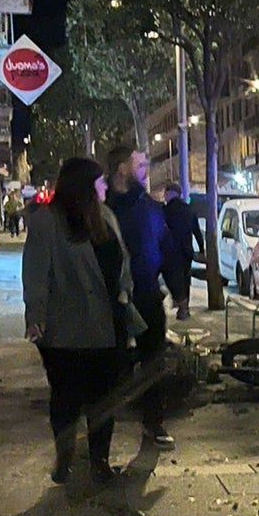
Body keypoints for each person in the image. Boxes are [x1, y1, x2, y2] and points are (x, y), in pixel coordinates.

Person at [22, 157, 137, 484]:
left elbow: (121, 261)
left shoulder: (107, 217)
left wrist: (127, 294)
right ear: (84, 186)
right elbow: (35, 273)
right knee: (66, 398)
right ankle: (65, 456)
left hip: (107, 323)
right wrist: (35, 316)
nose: (105, 188)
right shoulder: (48, 222)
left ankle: (99, 460)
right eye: (100, 183)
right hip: (65, 329)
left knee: (103, 398)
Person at [106, 145, 181, 449]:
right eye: (139, 165)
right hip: (112, 298)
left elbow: (166, 248)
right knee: (113, 364)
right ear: (122, 169)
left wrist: (178, 291)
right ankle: (102, 433)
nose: (145, 171)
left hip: (147, 294)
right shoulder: (103, 207)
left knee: (153, 360)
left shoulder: (148, 206)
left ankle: (153, 422)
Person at [161, 183, 203, 321]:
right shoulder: (189, 210)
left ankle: (180, 304)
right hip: (186, 252)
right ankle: (184, 308)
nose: (164, 196)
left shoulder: (165, 211)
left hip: (170, 252)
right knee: (185, 279)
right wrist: (201, 249)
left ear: (169, 193)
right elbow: (197, 231)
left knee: (173, 278)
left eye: (165, 193)